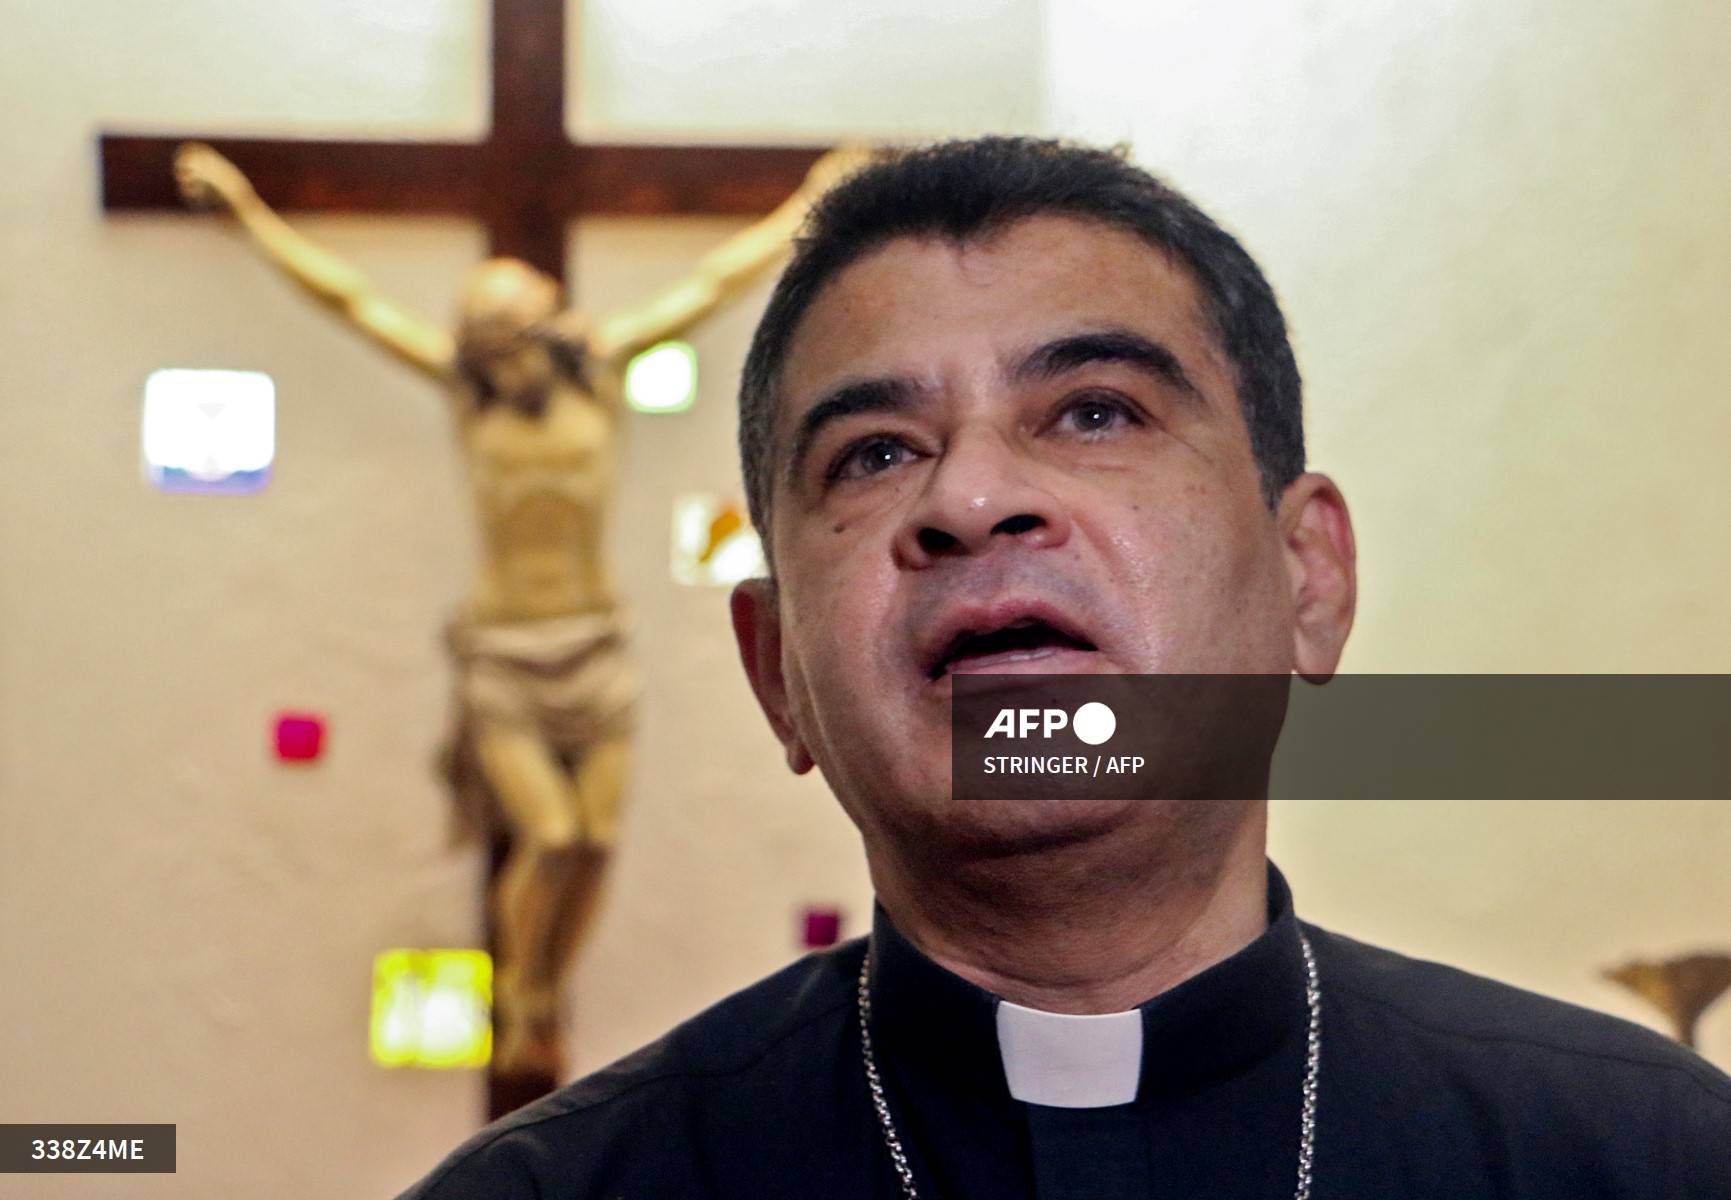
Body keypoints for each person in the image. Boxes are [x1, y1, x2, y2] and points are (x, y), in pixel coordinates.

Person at [396, 137, 1731, 1198]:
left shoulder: (1650, 1157)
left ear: (1305, 580)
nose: (969, 498)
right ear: (776, 675)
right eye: (871, 452)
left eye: (1093, 413)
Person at [174, 142, 867, 1081]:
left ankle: (546, 987)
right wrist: (245, 209)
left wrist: (810, 198)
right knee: (548, 835)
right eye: (492, 331)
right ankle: (524, 997)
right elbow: (346, 302)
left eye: (517, 323)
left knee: (594, 841)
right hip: (503, 656)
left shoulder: (602, 375)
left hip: (596, 648)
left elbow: (710, 283)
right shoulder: (467, 399)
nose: (506, 344)